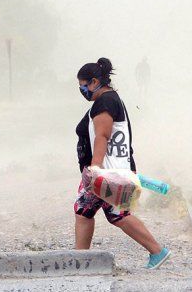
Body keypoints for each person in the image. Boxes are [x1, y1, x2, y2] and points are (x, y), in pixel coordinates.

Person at [74, 57, 171, 269]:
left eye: (83, 85)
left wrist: (95, 168)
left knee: (89, 211)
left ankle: (79, 262)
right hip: (113, 171)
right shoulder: (109, 99)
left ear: (94, 82)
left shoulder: (105, 102)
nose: (82, 90)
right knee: (108, 214)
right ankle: (157, 251)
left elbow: (102, 135)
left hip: (106, 172)